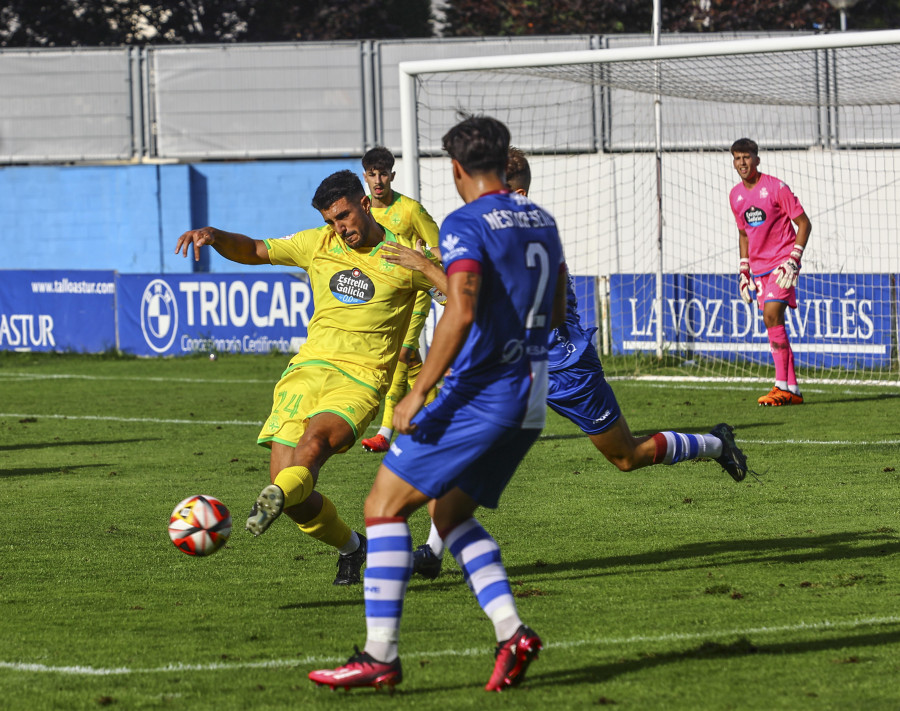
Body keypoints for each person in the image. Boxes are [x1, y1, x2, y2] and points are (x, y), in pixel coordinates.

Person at [382, 147, 753, 580]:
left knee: (627, 456)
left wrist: (428, 269)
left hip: (564, 366)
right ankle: (431, 550)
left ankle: (715, 444)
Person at [307, 116, 568, 692]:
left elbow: (462, 308)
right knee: (449, 516)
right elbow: (558, 298)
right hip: (531, 391)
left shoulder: (465, 222)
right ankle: (512, 631)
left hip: (481, 393)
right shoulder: (540, 220)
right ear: (504, 160)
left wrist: (419, 390)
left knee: (382, 505)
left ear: (455, 168)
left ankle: (380, 656)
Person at [174, 170, 441, 586]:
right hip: (305, 372)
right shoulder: (318, 243)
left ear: (364, 205)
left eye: (344, 216)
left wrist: (426, 265)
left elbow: (463, 295)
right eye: (331, 220)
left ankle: (283, 501)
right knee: (290, 494)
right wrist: (214, 235)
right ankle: (354, 547)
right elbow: (256, 250)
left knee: (312, 449)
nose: (339, 227)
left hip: (359, 380)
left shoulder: (404, 256)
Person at [359, 146, 441, 453]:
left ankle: (385, 432)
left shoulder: (410, 210)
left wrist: (424, 259)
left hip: (415, 291)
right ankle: (442, 418)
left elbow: (440, 249)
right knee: (411, 361)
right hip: (383, 294)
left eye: (383, 174)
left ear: (392, 175)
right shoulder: (363, 210)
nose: (378, 180)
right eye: (372, 174)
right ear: (364, 176)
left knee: (401, 356)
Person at [730, 137, 811, 406]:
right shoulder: (736, 196)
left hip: (782, 263)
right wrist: (743, 270)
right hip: (759, 270)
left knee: (772, 314)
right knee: (771, 322)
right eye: (737, 158)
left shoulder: (776, 187)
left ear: (757, 159)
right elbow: (743, 234)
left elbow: (804, 224)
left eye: (747, 157)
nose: (742, 162)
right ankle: (793, 389)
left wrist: (794, 259)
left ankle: (780, 386)